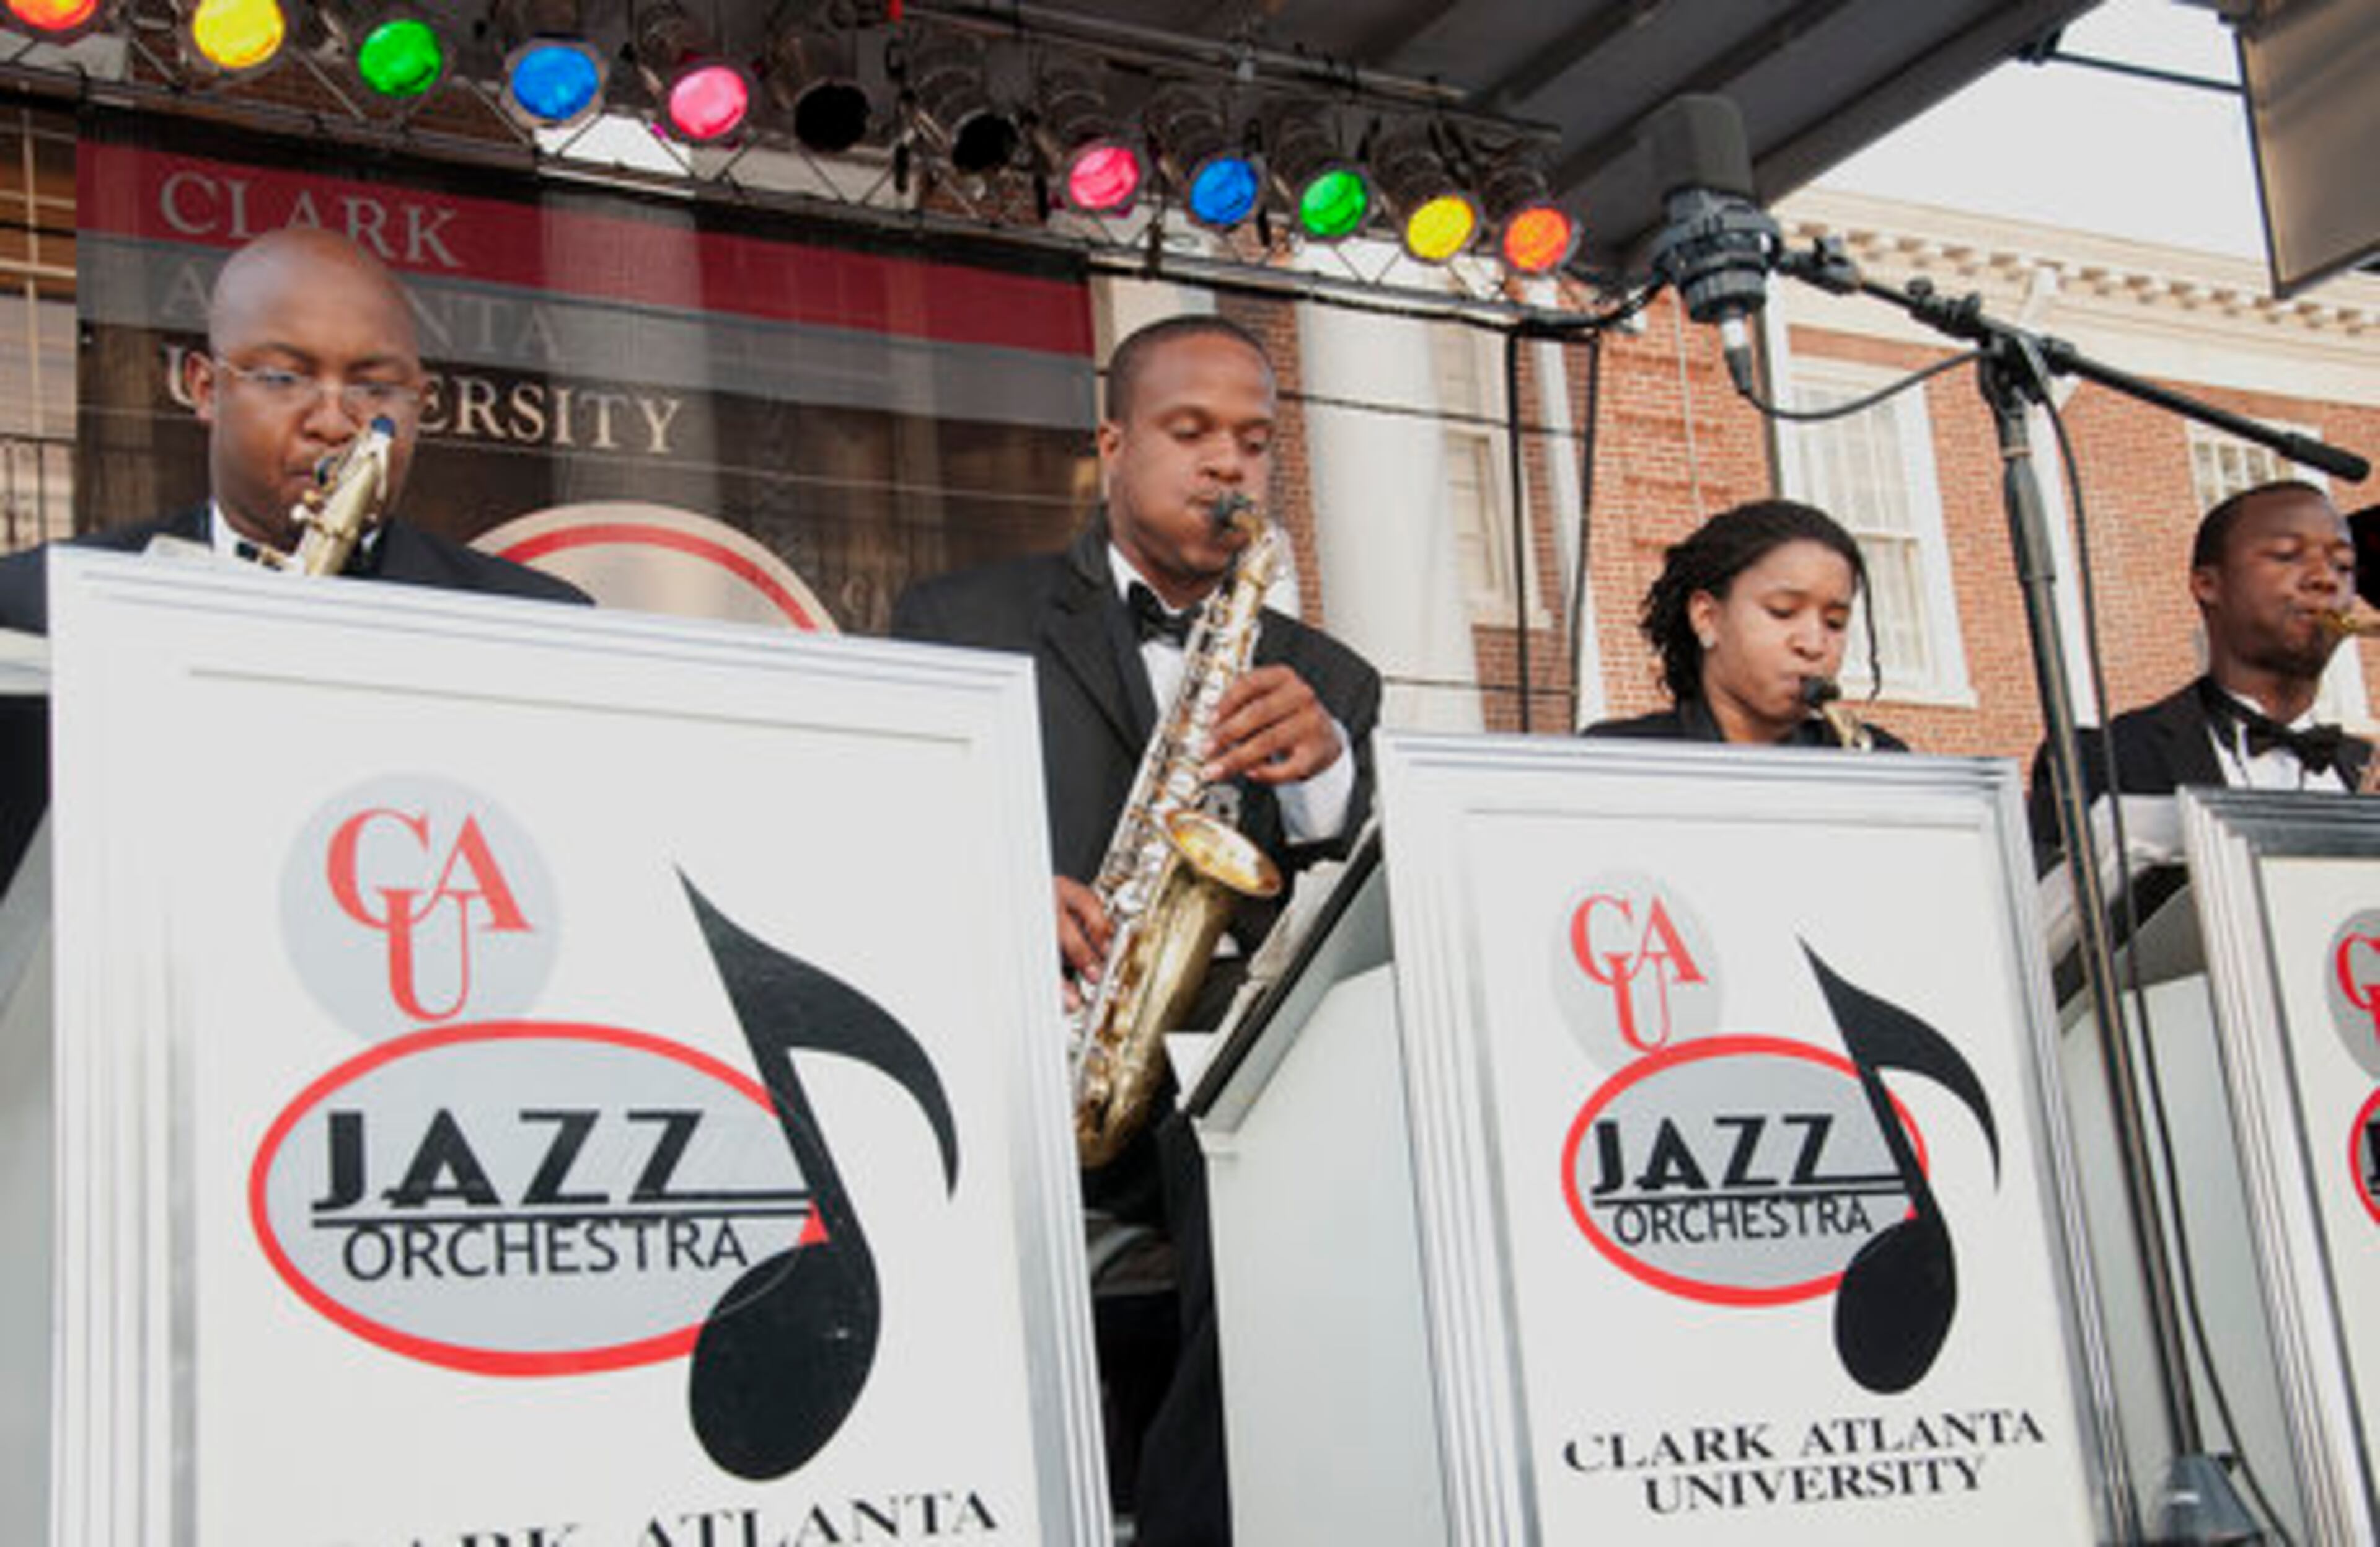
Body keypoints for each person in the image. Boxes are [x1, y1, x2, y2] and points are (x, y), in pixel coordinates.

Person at [891, 313, 1381, 1547]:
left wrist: (1321, 770)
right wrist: (988, 886)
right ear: (1112, 443)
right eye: (1191, 431)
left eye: (1256, 443)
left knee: (1305, 1233)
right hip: (1015, 1049)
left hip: (1222, 1085)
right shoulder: (958, 620)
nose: (1230, 465)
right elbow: (878, 830)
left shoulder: (1329, 676)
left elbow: (1352, 877)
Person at [0, 227, 587, 880]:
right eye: (284, 377)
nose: (334, 422)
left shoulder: (542, 624)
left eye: (374, 388)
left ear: (420, 403)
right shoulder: (31, 608)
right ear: (204, 387)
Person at [2027, 479, 2371, 857]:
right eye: (2287, 555)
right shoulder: (2098, 762)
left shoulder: (2366, 767)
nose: (2326, 580)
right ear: (2208, 585)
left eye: (2344, 566)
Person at [1584, 498, 1906, 749]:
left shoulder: (1877, 759)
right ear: (1706, 618)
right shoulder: (1619, 756)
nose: (1814, 645)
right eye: (1783, 611)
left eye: (1835, 623)